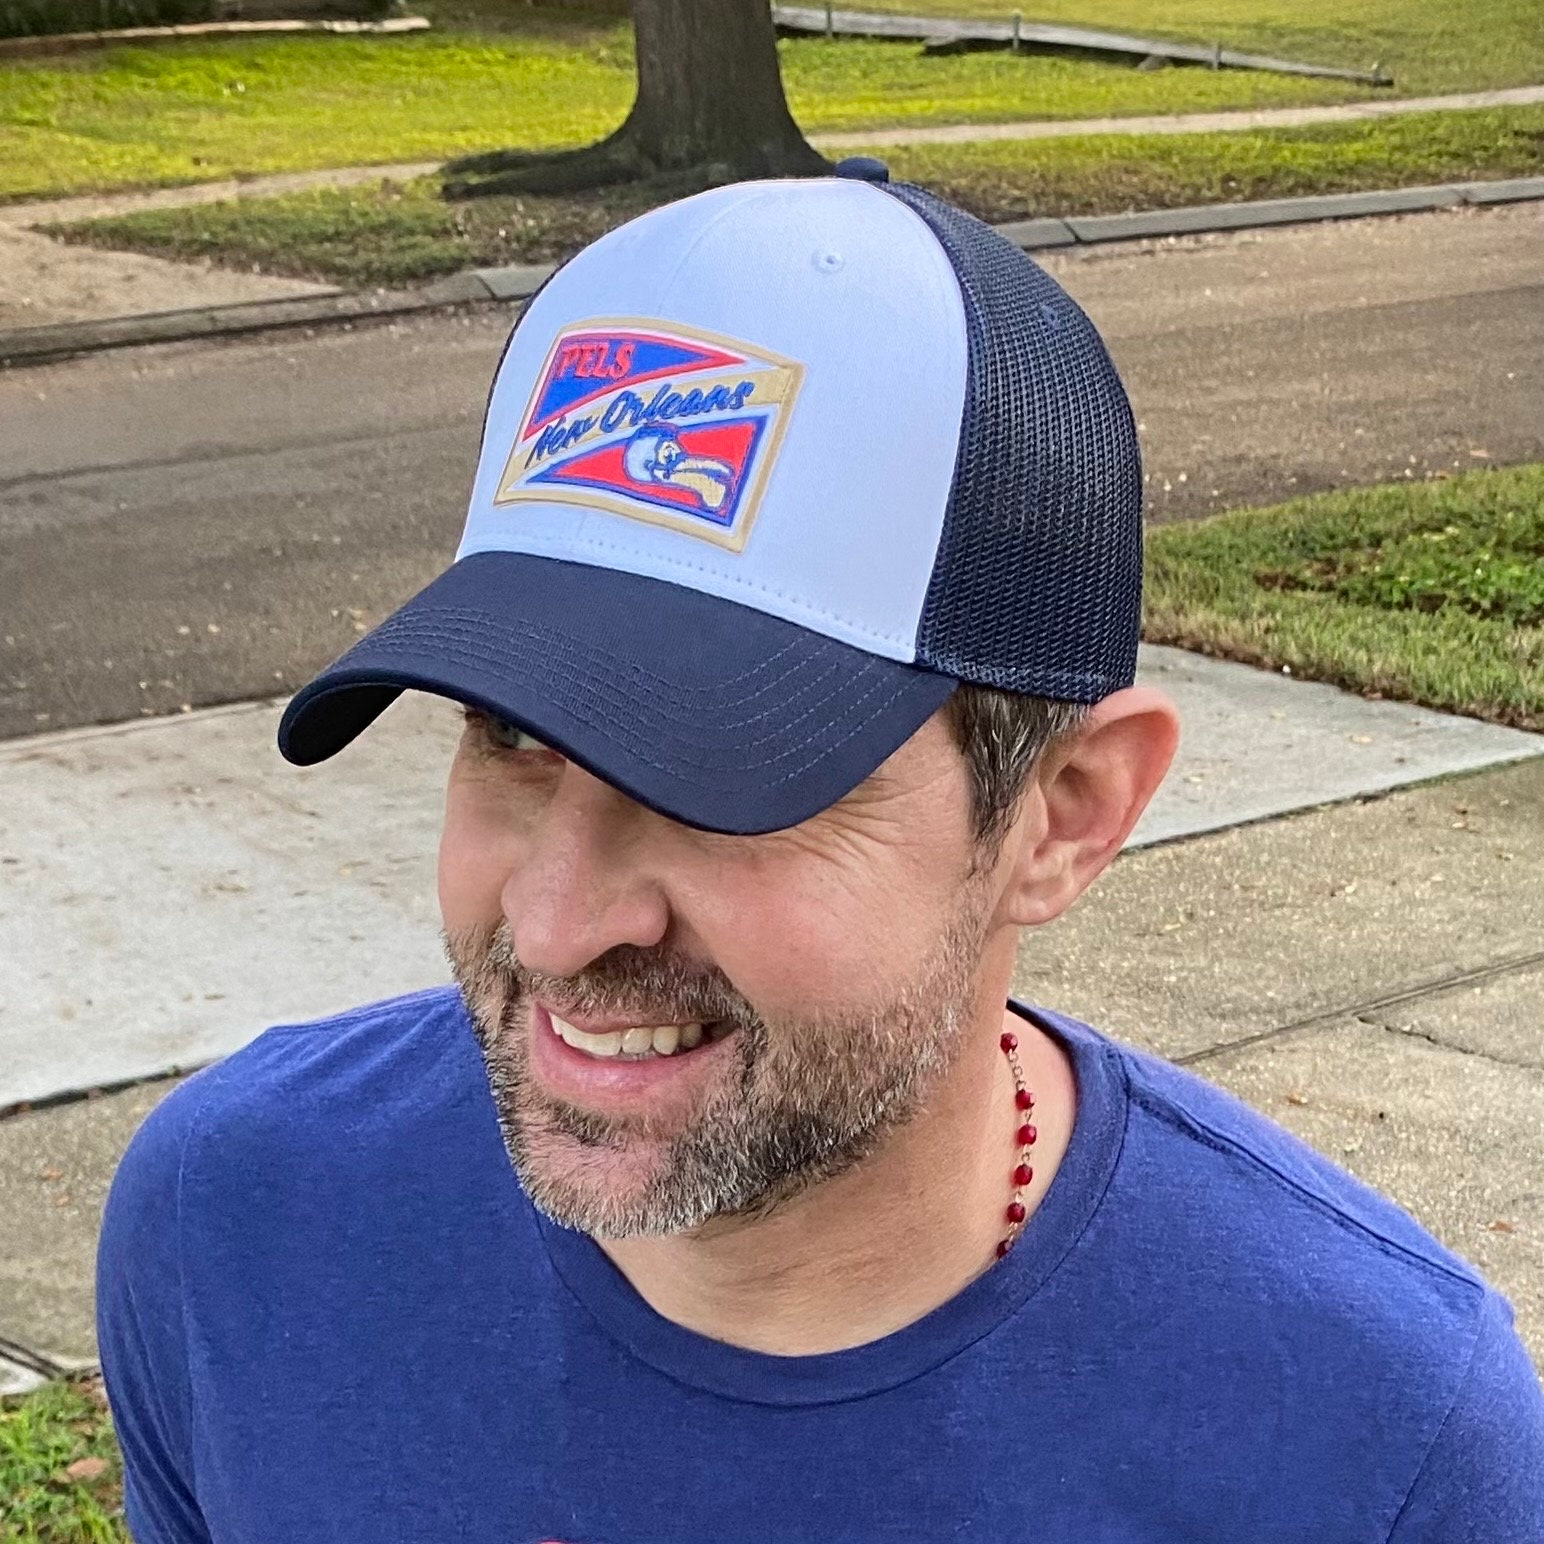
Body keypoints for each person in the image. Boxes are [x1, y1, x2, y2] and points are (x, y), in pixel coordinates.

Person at [98, 161, 1544, 1543]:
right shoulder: (235, 1229)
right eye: (512, 735)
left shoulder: (1375, 1447)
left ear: (1063, 814)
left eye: (729, 772)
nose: (554, 923)